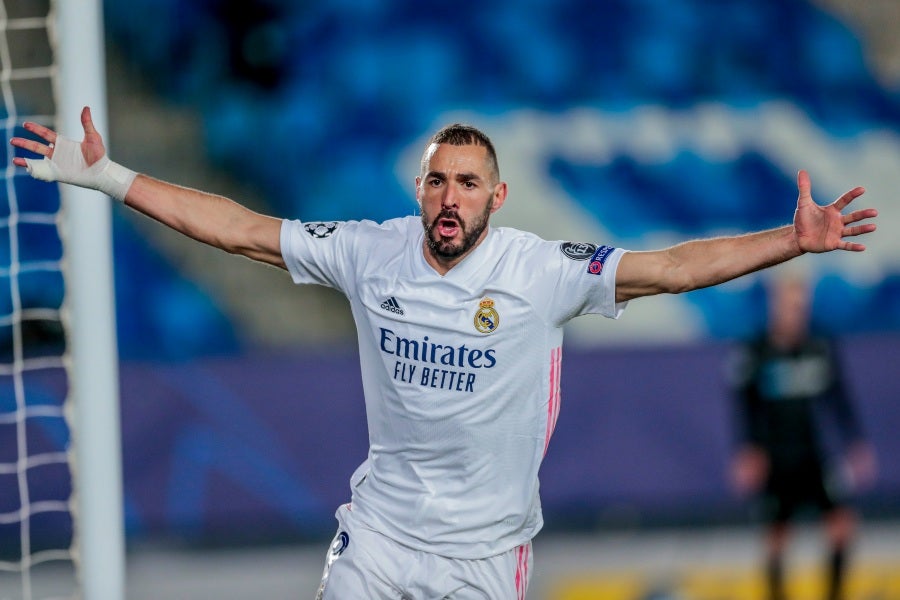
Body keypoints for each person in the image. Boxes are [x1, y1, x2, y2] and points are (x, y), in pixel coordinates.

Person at [11, 107, 877, 600]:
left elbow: (677, 268)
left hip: (485, 556)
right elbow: (239, 231)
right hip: (381, 537)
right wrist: (113, 178)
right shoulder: (369, 250)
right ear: (417, 189)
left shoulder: (542, 271)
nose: (449, 195)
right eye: (436, 179)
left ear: (497, 196)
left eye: (467, 181)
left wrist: (789, 243)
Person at [729, 275, 877, 600]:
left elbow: (840, 397)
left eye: (801, 307)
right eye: (790, 306)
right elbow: (744, 405)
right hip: (778, 458)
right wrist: (748, 451)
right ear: (775, 306)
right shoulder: (757, 352)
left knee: (841, 526)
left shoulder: (819, 347)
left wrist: (855, 442)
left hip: (817, 454)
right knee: (776, 536)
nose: (796, 314)